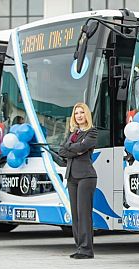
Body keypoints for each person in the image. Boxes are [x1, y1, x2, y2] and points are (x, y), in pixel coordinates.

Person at [59, 102, 98, 259]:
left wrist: (72, 148)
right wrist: (77, 148)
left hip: (86, 177)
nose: (79, 115)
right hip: (72, 177)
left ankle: (87, 249)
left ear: (86, 115)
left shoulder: (92, 132)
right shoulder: (72, 134)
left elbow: (84, 146)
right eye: (76, 113)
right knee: (75, 214)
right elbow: (62, 150)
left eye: (82, 112)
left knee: (84, 214)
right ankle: (79, 247)